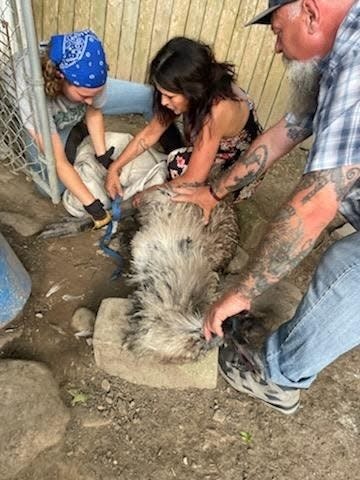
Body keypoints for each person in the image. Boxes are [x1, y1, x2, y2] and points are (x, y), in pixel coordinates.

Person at [173, 0, 360, 414]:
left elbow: (314, 207)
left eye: (277, 30)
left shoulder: (357, 64)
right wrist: (215, 192)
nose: (276, 47)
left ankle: (279, 375)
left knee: (348, 267)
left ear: (309, 13)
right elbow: (286, 131)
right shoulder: (333, 58)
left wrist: (239, 294)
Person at [15, 29, 162, 227]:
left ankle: (175, 155)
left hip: (71, 97)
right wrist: (94, 207)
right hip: (42, 110)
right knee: (51, 188)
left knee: (149, 97)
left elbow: (93, 111)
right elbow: (57, 161)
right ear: (60, 78)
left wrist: (103, 157)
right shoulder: (33, 95)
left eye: (96, 92)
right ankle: (73, 131)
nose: (91, 100)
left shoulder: (92, 71)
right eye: (84, 95)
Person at [105, 36, 262, 202]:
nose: (164, 101)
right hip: (214, 144)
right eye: (162, 93)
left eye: (170, 96)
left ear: (192, 90)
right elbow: (150, 134)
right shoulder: (197, 85)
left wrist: (147, 194)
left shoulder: (217, 111)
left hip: (239, 165)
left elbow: (192, 179)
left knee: (177, 165)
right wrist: (115, 168)